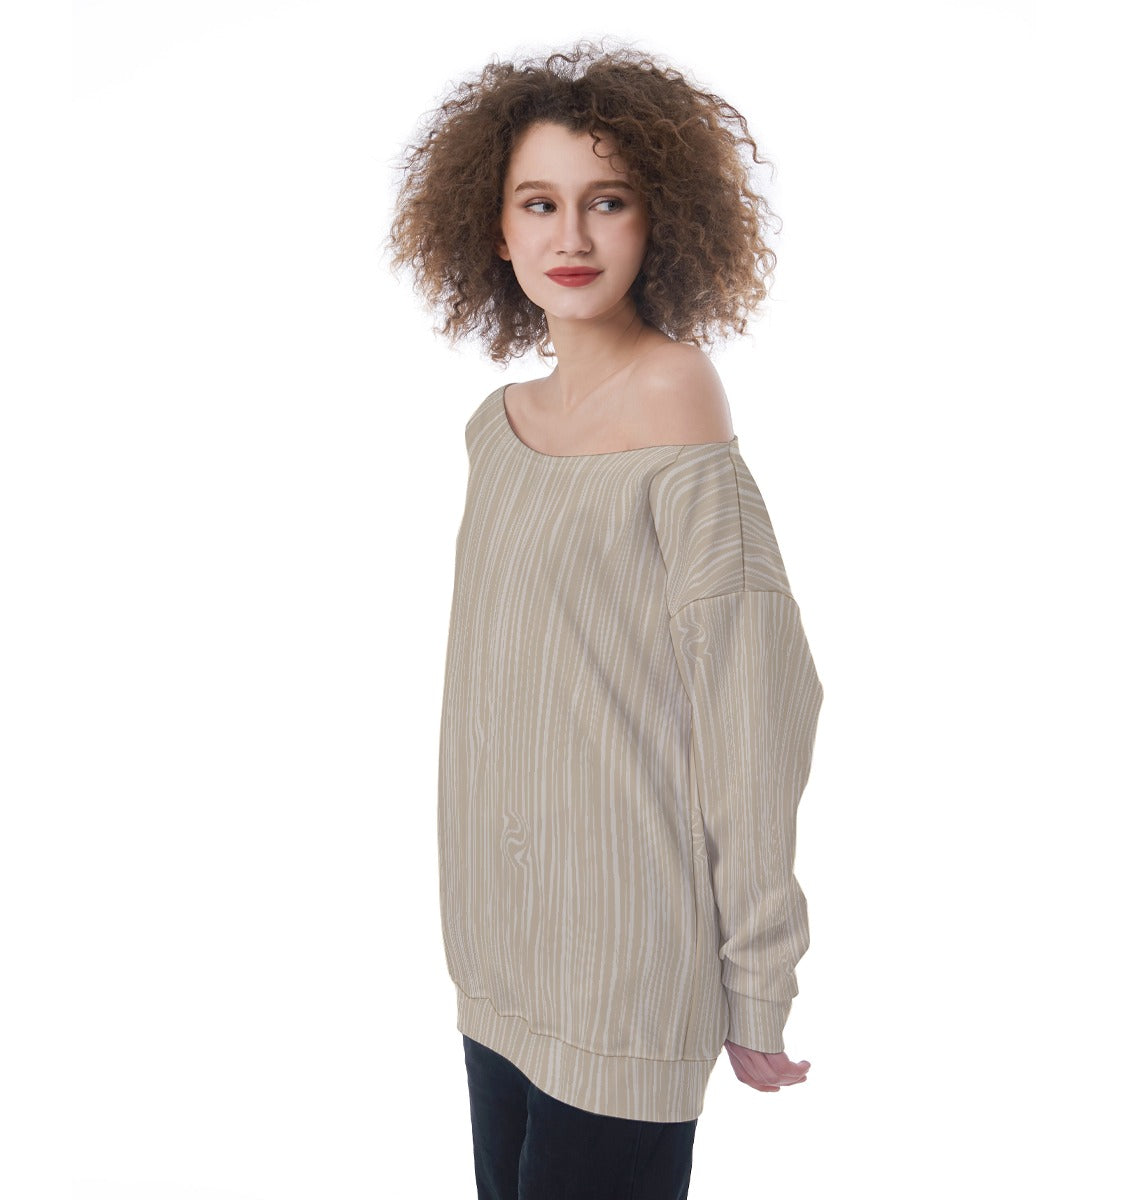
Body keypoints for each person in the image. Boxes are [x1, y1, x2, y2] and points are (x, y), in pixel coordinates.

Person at [387, 39, 823, 1200]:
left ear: (658, 219)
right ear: (495, 229)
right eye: (540, 203)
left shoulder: (677, 396)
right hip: (497, 957)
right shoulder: (494, 430)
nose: (571, 236)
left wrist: (758, 977)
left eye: (608, 201)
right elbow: (497, 695)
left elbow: (755, 700)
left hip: (625, 962)